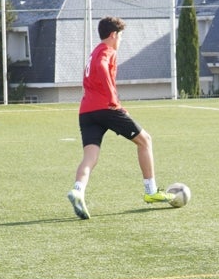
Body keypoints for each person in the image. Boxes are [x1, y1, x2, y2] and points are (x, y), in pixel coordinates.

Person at [66, 16, 174, 220]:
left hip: (86, 111)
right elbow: (101, 67)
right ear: (113, 35)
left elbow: (93, 72)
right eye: (121, 36)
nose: (121, 40)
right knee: (145, 141)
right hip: (106, 107)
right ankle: (151, 191)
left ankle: (78, 190)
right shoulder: (107, 51)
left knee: (90, 157)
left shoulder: (95, 51)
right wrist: (114, 100)